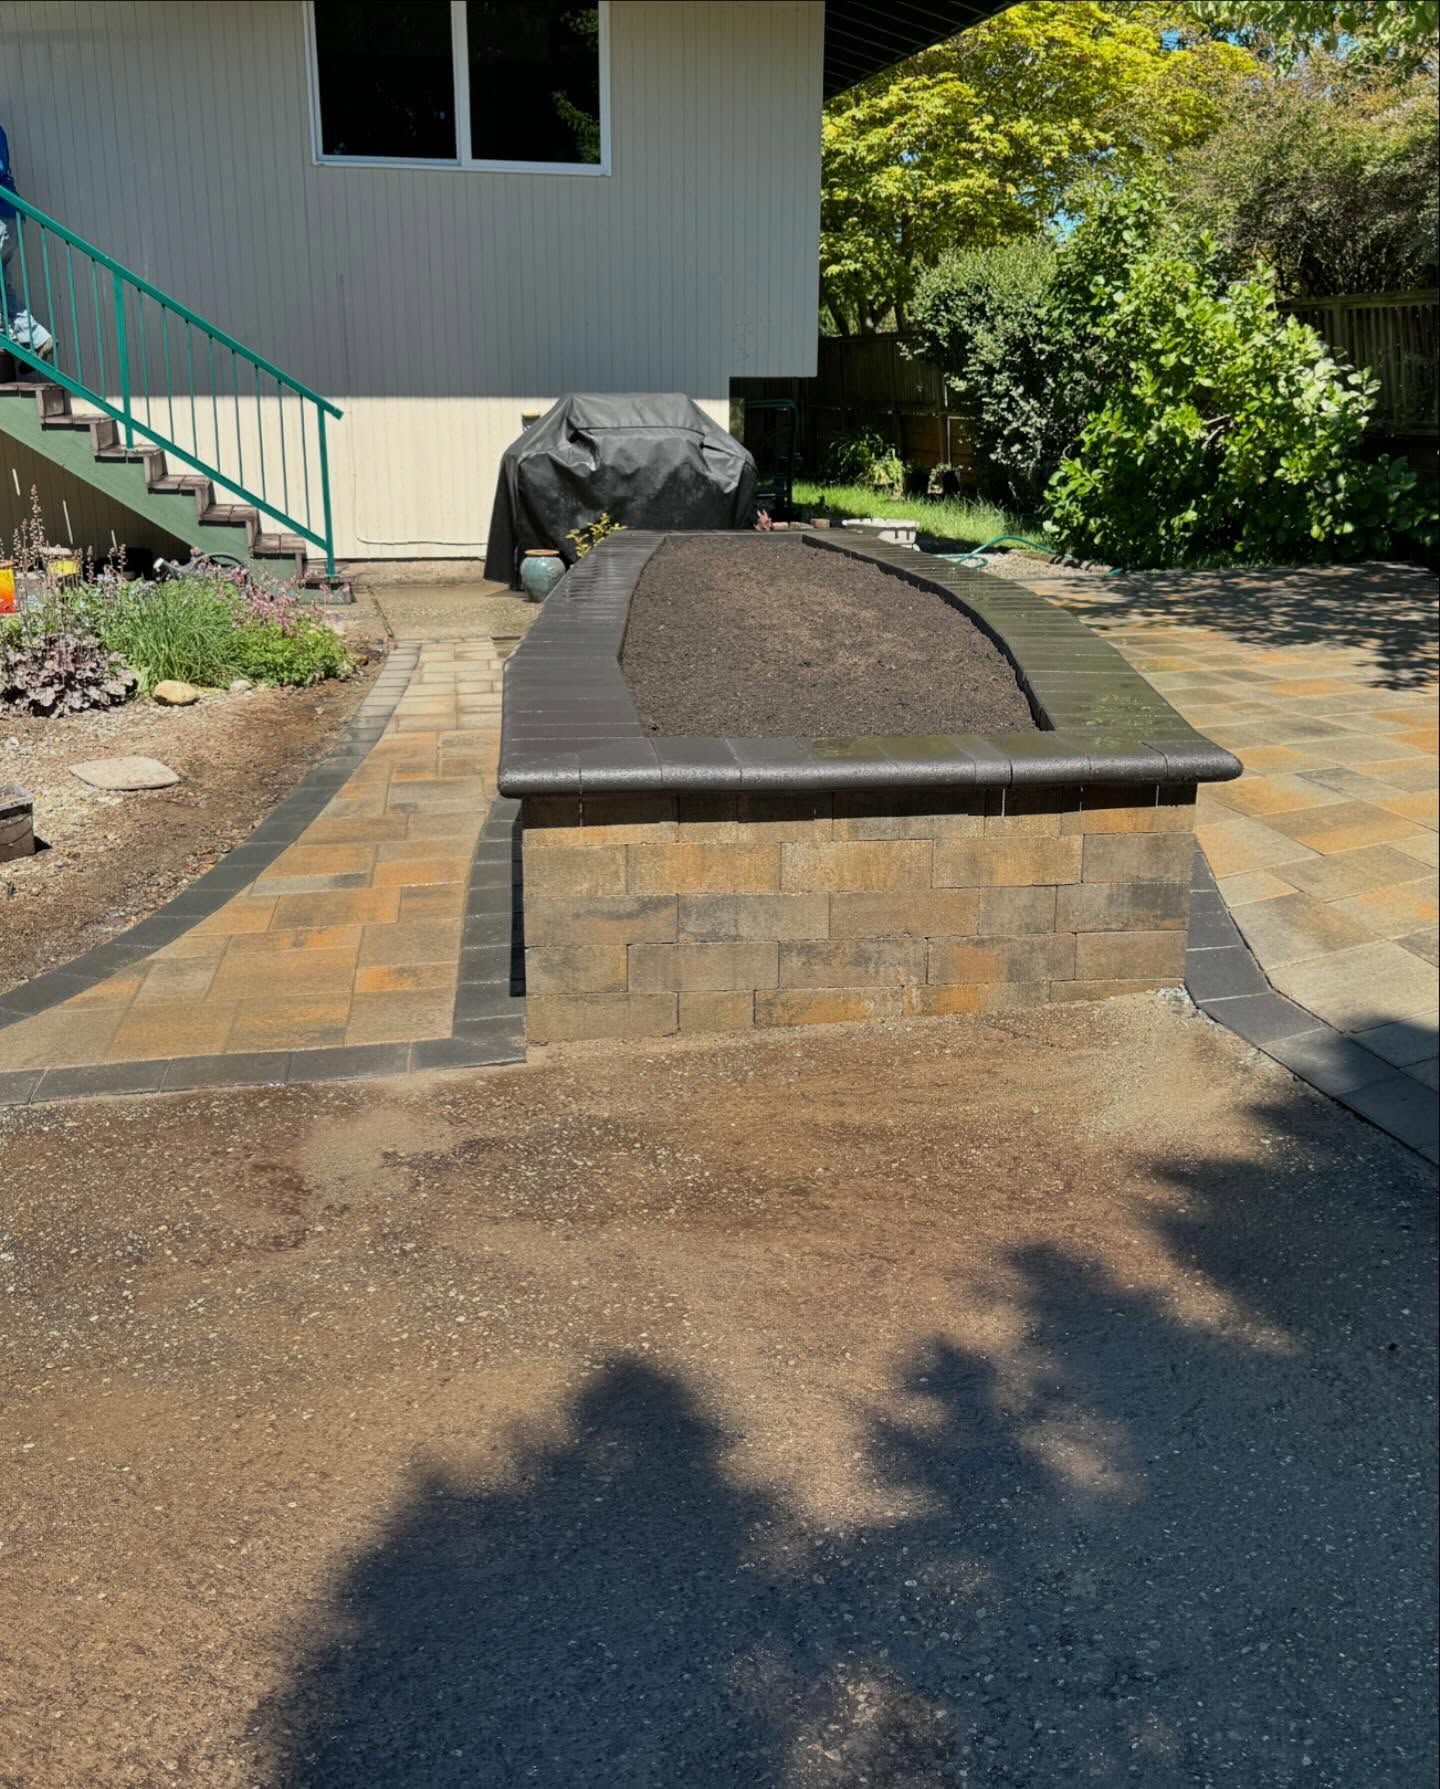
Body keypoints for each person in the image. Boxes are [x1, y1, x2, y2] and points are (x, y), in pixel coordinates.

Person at [0, 121, 55, 361]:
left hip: (1, 216)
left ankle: (11, 337)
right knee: (3, 286)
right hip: (9, 216)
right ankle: (36, 339)